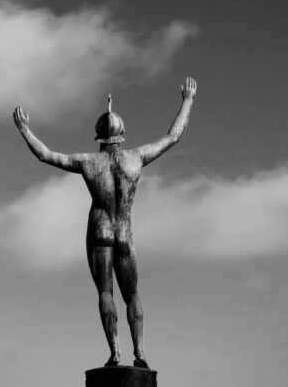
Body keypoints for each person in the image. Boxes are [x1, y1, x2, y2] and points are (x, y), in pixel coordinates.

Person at [13, 77, 197, 367]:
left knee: (105, 293)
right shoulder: (136, 158)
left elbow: (45, 155)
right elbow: (173, 136)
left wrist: (25, 129)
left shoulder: (88, 162)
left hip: (99, 233)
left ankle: (116, 352)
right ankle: (140, 354)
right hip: (124, 233)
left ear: (97, 136)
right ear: (122, 134)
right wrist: (187, 100)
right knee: (133, 294)